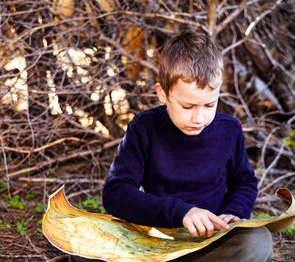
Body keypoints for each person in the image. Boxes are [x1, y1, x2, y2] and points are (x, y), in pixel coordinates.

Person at [70, 30, 273, 262]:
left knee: (258, 240)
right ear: (163, 94)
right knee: (84, 246)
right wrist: (181, 213)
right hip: (154, 240)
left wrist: (234, 213)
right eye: (188, 107)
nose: (199, 118)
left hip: (210, 241)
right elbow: (116, 193)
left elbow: (243, 181)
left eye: (209, 104)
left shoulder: (229, 129)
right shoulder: (144, 127)